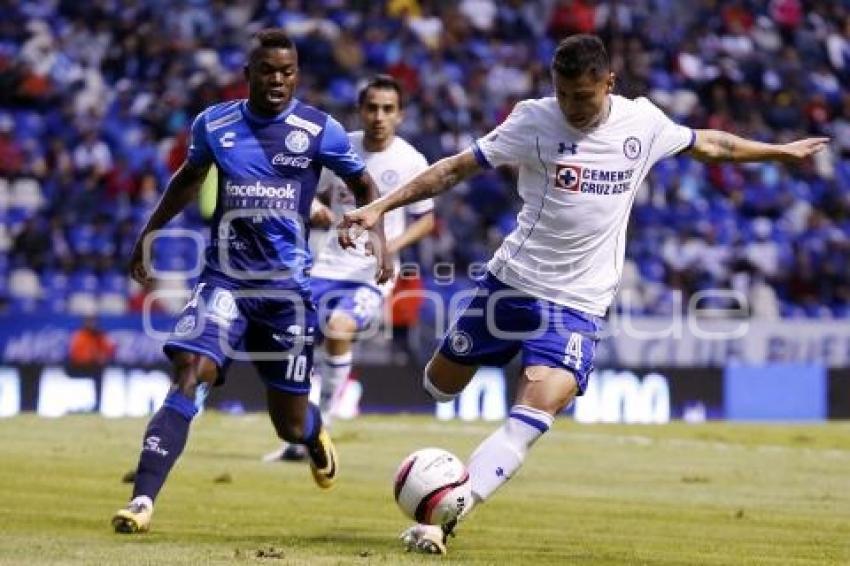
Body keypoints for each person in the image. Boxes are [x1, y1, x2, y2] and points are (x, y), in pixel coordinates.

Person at [339, 34, 829, 555]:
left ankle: (448, 512)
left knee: (535, 413)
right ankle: (476, 414)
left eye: (585, 96)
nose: (573, 107)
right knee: (439, 385)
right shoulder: (533, 119)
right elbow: (455, 168)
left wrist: (777, 151)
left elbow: (713, 145)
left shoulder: (643, 122)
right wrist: (379, 208)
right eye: (565, 95)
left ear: (608, 84)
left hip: (577, 303)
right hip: (511, 283)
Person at [111, 28, 392, 534]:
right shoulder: (214, 124)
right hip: (226, 281)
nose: (277, 80)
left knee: (286, 420)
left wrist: (378, 235)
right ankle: (142, 501)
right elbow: (186, 180)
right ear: (249, 74)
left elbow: (362, 183)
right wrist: (148, 234)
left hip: (286, 295)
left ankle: (312, 433)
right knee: (190, 372)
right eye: (268, 71)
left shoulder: (318, 129)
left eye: (287, 72)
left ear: (297, 75)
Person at [266, 74, 435, 462]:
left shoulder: (411, 160)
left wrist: (388, 246)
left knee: (339, 329)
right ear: (360, 110)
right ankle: (300, 432)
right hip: (322, 264)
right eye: (372, 107)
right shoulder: (342, 150)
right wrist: (314, 209)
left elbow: (425, 220)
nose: (379, 116)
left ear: (400, 115)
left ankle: (319, 428)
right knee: (295, 341)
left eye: (388, 109)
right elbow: (303, 192)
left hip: (369, 273)